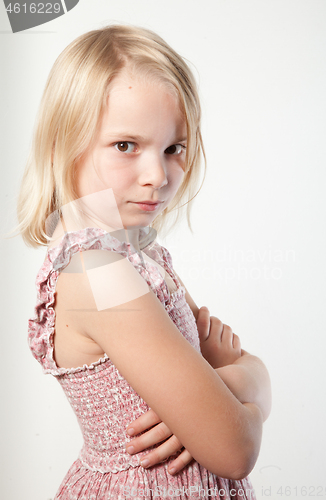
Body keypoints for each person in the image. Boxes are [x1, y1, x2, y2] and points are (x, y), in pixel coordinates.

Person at [17, 25, 271, 499]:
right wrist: (245, 391)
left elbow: (238, 387)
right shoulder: (96, 269)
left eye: (173, 148)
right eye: (125, 145)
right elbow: (235, 449)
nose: (157, 176)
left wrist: (250, 380)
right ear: (63, 142)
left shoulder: (136, 253)